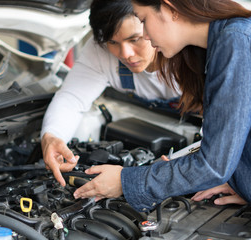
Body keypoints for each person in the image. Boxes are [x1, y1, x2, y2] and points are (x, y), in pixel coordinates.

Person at [73, 0, 251, 210]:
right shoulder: (223, 43)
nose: (146, 35)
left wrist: (125, 181)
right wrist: (243, 182)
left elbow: (212, 166)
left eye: (143, 20)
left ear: (170, 9)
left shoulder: (236, 41)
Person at [41, 0, 181, 187]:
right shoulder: (99, 50)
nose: (126, 54)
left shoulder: (188, 51)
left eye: (134, 39)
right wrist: (52, 136)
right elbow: (72, 98)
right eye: (113, 42)